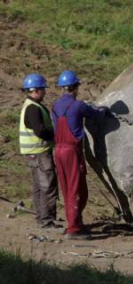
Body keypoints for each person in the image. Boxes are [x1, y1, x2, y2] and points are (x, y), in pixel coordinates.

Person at [51, 70, 107, 240]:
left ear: (62, 88)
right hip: (71, 151)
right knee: (77, 188)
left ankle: (75, 222)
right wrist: (104, 109)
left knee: (67, 187)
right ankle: (74, 229)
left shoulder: (54, 106)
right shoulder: (79, 105)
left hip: (58, 150)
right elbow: (97, 115)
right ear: (75, 88)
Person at [19, 73, 62, 231]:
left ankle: (41, 219)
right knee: (48, 186)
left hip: (33, 153)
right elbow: (39, 131)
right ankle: (47, 221)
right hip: (40, 152)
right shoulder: (33, 108)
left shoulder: (29, 106)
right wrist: (57, 136)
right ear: (36, 90)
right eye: (43, 89)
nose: (44, 92)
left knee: (39, 187)